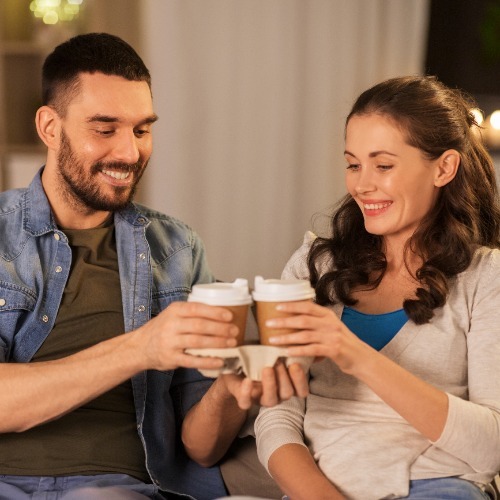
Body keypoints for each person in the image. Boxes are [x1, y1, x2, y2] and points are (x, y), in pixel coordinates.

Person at [0, 32, 305, 500]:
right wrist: (142, 348)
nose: (129, 153)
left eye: (142, 130)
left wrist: (231, 385)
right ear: (50, 127)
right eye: (105, 129)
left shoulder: (177, 249)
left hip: (113, 490)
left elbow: (201, 450)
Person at [254, 75, 500, 499]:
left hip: (436, 487)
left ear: (444, 167)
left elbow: (492, 447)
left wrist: (353, 354)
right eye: (353, 164)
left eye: (383, 165)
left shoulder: (485, 276)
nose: (361, 185)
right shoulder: (315, 266)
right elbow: (277, 418)